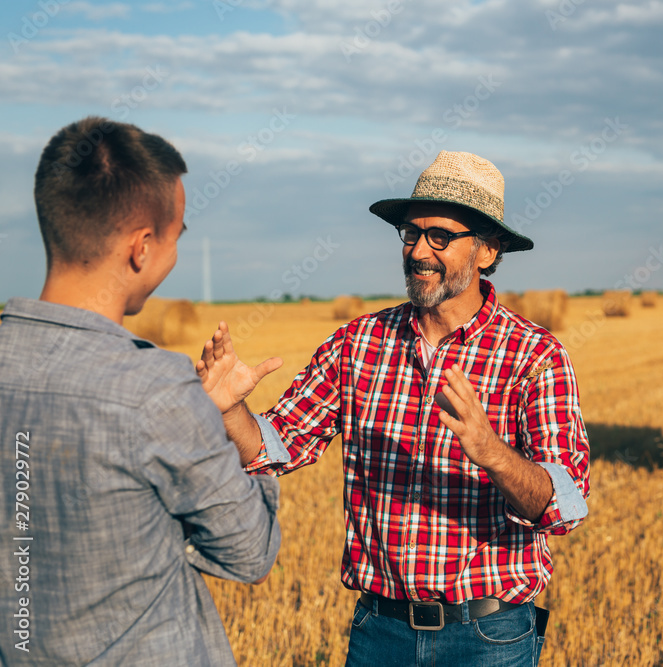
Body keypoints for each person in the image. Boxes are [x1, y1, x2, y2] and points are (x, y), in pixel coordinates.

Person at [198, 150, 591, 665]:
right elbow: (280, 446)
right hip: (378, 632)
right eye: (411, 234)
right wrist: (230, 413)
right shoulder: (358, 343)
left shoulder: (535, 356)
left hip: (489, 638)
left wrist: (492, 452)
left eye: (440, 237)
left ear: (488, 250)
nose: (419, 251)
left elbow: (568, 503)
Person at [0, 117, 283, 666]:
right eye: (176, 238)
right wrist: (232, 434)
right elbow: (251, 553)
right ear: (142, 248)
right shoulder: (154, 389)